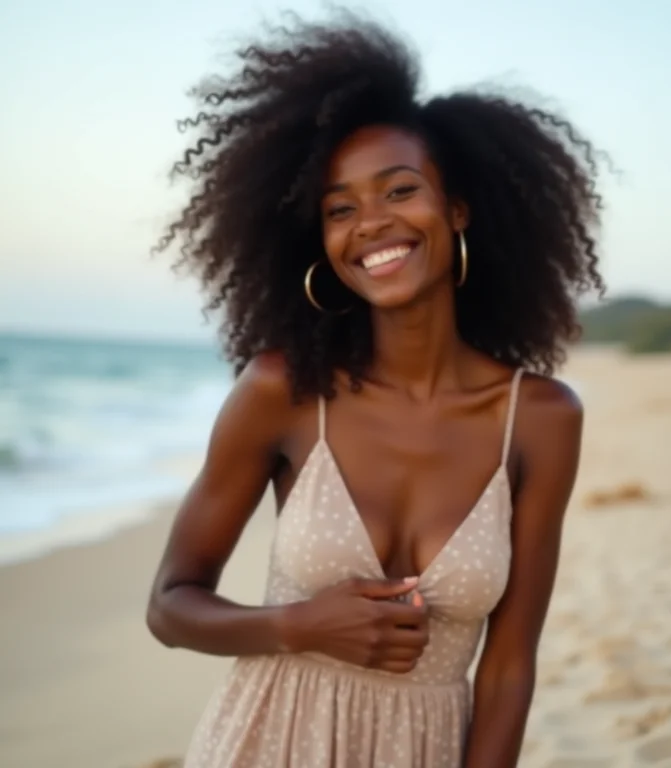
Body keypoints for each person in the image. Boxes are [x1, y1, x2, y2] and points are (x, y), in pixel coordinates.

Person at [147, 9, 605, 768]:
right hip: (266, 741)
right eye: (340, 208)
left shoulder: (541, 418)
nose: (370, 224)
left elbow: (510, 663)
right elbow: (170, 605)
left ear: (456, 209)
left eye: (399, 191)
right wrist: (295, 625)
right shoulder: (285, 391)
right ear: (319, 239)